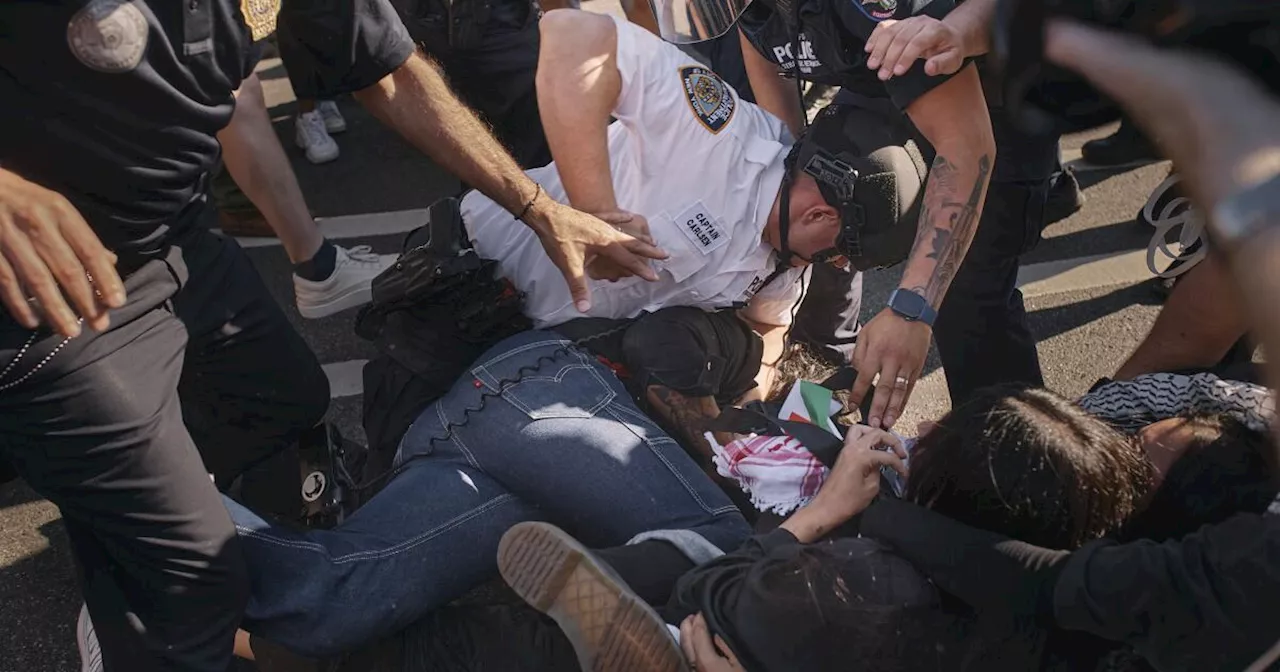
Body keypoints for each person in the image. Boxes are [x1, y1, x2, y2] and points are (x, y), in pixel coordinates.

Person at [0, 1, 664, 669]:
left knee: (284, 412)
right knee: (194, 587)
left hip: (175, 233)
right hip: (51, 291)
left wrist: (539, 209)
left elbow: (394, 76)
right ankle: (145, 618)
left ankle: (174, 584)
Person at [812, 17, 1280, 672]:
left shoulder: (1226, 581)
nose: (1135, 442)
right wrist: (1060, 436)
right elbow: (1190, 340)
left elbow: (1052, 588)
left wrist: (858, 512)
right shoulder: (1226, 398)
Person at [228, 329, 754, 658]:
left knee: (330, 605)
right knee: (727, 546)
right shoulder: (731, 328)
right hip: (541, 388)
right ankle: (627, 618)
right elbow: (694, 345)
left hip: (481, 448)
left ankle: (157, 514)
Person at [672, 0, 1055, 429]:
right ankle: (824, 414)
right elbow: (779, 110)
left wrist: (913, 307)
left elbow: (966, 147)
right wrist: (794, 216)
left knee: (968, 305)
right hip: (877, 84)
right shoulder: (750, 8)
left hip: (984, 106)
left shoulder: (877, 9)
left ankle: (1022, 468)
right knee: (830, 228)